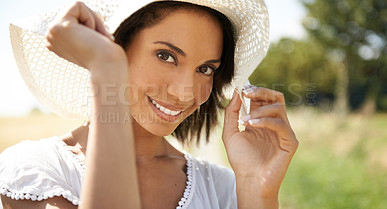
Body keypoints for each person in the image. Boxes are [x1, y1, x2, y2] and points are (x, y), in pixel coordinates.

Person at [0, 0, 298, 208]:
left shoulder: (221, 187)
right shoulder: (36, 170)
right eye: (166, 56)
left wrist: (256, 190)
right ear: (117, 46)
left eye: (205, 69)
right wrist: (106, 73)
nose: (184, 93)